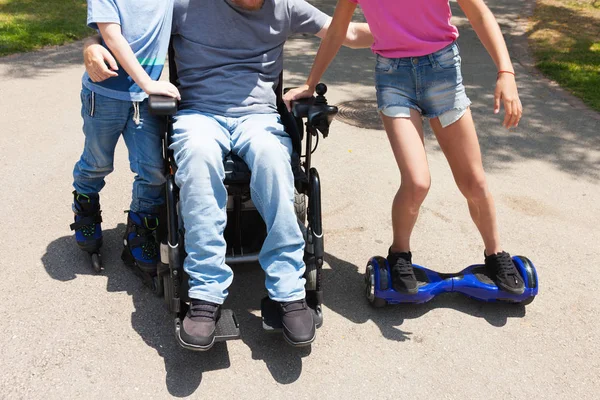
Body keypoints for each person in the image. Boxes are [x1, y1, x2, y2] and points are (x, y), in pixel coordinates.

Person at [84, 0, 372, 349]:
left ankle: (289, 291)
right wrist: (91, 47)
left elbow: (350, 33)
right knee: (199, 160)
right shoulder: (185, 5)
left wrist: (415, 30)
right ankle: (205, 294)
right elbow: (130, 31)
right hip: (199, 114)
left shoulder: (286, 6)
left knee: (275, 161)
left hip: (259, 117)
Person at [284, 0, 525, 295]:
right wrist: (311, 84)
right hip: (394, 78)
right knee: (417, 182)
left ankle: (495, 254)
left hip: (443, 73)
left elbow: (479, 12)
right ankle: (399, 254)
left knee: (473, 182)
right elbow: (338, 30)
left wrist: (506, 72)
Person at [72, 0, 180, 274]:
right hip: (104, 95)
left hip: (145, 101)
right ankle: (85, 208)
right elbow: (111, 35)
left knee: (152, 170)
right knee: (97, 162)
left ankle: (141, 226)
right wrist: (92, 44)